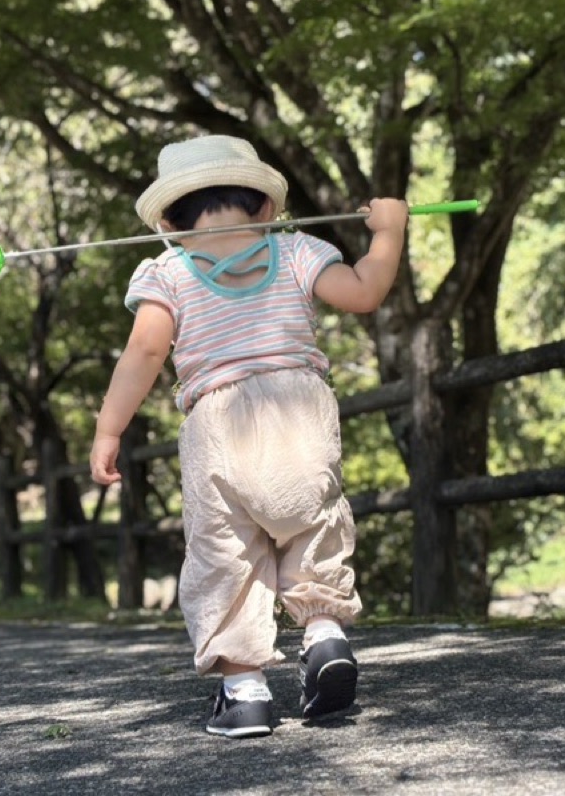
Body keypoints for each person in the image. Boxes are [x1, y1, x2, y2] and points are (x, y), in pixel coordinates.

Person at [89, 134, 408, 739]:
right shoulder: (296, 252)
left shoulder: (167, 272)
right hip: (301, 410)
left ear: (166, 221)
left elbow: (145, 352)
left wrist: (109, 429)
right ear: (266, 207)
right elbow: (365, 291)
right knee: (315, 525)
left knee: (224, 554)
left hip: (217, 422)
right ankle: (324, 635)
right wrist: (388, 231)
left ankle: (246, 693)